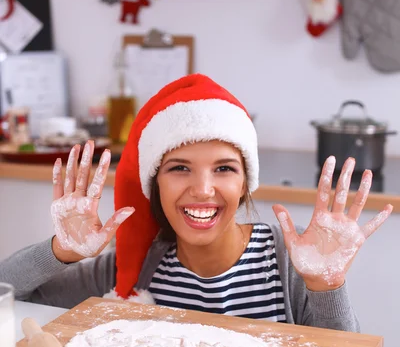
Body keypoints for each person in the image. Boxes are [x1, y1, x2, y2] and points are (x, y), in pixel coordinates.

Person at [0, 74, 392, 331]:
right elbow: (7, 294)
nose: (203, 190)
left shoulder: (288, 262)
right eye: (180, 168)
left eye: (223, 169)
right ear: (155, 186)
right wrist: (60, 251)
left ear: (244, 184)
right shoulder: (131, 268)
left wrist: (326, 285)